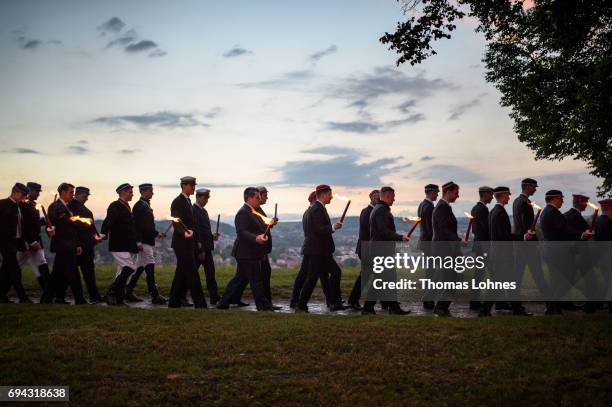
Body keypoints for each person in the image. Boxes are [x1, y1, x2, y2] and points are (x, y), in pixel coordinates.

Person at [216, 187, 273, 311]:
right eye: (257, 197)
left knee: (239, 279)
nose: (259, 199)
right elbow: (241, 232)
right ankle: (263, 307)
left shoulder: (253, 211)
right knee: (255, 280)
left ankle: (223, 303)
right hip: (246, 252)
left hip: (248, 252)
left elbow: (259, 227)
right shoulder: (243, 212)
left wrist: (269, 225)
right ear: (249, 198)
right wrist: (256, 238)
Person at [479, 187, 533, 317]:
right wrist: (523, 237)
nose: (509, 197)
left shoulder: (493, 211)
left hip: (498, 254)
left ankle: (514, 309)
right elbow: (504, 236)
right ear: (502, 196)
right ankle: (487, 310)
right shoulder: (500, 212)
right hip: (503, 255)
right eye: (507, 195)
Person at [539, 190, 593, 314]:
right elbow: (564, 229)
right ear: (554, 199)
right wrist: (581, 234)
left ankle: (554, 307)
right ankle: (553, 307)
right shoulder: (553, 212)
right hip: (558, 252)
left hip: (551, 251)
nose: (563, 201)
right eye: (561, 198)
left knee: (557, 280)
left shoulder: (547, 211)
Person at [295, 184, 345, 313]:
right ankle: (302, 305)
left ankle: (333, 302)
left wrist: (332, 228)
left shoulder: (318, 208)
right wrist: (333, 227)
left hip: (320, 250)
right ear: (323, 195)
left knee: (329, 274)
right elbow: (318, 230)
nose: (331, 197)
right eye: (329, 194)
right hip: (317, 250)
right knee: (313, 277)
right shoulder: (317, 209)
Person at [362, 186, 410, 315]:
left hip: (379, 250)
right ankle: (374, 308)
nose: (394, 199)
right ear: (388, 196)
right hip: (382, 251)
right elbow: (384, 231)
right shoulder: (382, 210)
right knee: (385, 280)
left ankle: (386, 307)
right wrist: (400, 237)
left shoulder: (378, 209)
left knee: (385, 280)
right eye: (393, 197)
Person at [124, 183, 167, 305]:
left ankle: (128, 291)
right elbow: (136, 225)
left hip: (146, 240)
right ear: (144, 191)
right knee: (150, 265)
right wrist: (137, 241)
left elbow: (147, 226)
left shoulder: (145, 205)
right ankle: (154, 295)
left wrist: (157, 233)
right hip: (144, 242)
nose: (153, 193)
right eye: (151, 191)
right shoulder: (140, 206)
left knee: (141, 266)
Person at [168, 176, 207, 308]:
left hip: (188, 242)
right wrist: (183, 232)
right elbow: (175, 221)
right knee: (192, 273)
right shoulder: (178, 201)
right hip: (181, 242)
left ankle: (173, 301)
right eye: (191, 185)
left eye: (194, 185)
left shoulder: (187, 201)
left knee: (180, 273)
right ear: (184, 186)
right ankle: (200, 303)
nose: (193, 188)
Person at [290, 191, 331, 308]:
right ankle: (298, 302)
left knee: (317, 275)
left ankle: (331, 299)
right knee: (310, 276)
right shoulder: (313, 212)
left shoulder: (307, 212)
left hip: (311, 248)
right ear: (314, 199)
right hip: (315, 248)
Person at [48, 183, 86, 305]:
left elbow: (72, 229)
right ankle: (79, 299)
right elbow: (52, 224)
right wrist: (50, 230)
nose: (73, 195)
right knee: (73, 273)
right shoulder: (55, 207)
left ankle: (52, 298)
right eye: (70, 192)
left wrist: (77, 244)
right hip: (63, 245)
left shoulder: (68, 208)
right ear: (63, 193)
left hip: (69, 245)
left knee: (58, 274)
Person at [101, 183, 139, 306]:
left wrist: (135, 242)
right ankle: (111, 293)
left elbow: (130, 228)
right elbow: (108, 221)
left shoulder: (127, 206)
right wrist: (103, 233)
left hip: (125, 244)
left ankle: (119, 298)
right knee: (129, 267)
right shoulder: (115, 206)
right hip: (118, 244)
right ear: (123, 192)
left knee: (123, 270)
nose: (132, 194)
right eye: (130, 192)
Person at [512, 178, 548, 305]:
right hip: (528, 245)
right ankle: (551, 304)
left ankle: (514, 303)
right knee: (538, 274)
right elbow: (526, 225)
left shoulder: (516, 201)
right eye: (534, 186)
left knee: (517, 275)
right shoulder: (525, 202)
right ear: (527, 186)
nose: (535, 189)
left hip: (519, 244)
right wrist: (534, 241)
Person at [17, 182, 53, 303]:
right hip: (27, 243)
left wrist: (45, 221)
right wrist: (30, 241)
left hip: (36, 243)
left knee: (41, 266)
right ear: (30, 191)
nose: (38, 194)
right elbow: (23, 225)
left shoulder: (33, 205)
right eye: (36, 191)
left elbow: (34, 223)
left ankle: (48, 295)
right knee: (14, 268)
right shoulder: (22, 205)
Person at [68, 186, 104, 303]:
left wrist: (95, 237)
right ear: (77, 194)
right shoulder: (70, 207)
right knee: (72, 273)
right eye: (85, 196)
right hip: (79, 246)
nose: (87, 198)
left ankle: (94, 295)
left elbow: (91, 228)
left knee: (89, 273)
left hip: (88, 245)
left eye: (87, 196)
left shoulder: (83, 209)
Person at [431, 181, 461, 317]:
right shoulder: (443, 208)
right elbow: (444, 229)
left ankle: (442, 307)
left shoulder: (443, 207)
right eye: (456, 193)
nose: (458, 196)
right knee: (450, 279)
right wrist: (458, 240)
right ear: (448, 192)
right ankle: (441, 307)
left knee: (451, 278)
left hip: (445, 249)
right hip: (445, 250)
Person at [0, 183, 33, 303]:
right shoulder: (2, 204)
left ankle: (1, 295)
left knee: (6, 270)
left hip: (15, 242)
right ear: (15, 192)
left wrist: (23, 241)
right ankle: (22, 297)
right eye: (23, 194)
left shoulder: (18, 206)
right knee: (14, 270)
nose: (24, 197)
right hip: (5, 242)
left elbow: (20, 226)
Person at [347, 189, 379, 311]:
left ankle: (353, 300)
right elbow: (371, 231)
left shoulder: (371, 211)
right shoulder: (368, 212)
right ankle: (354, 301)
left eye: (379, 197)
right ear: (370, 197)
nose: (377, 198)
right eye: (375, 196)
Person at [192, 188, 220, 304]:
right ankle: (181, 295)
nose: (207, 200)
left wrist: (212, 236)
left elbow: (204, 231)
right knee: (192, 274)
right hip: (200, 249)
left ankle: (214, 297)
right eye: (205, 197)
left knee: (210, 274)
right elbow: (197, 232)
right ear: (198, 197)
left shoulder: (203, 211)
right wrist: (201, 250)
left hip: (206, 247)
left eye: (207, 198)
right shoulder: (194, 211)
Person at [468, 186, 493, 311]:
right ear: (485, 194)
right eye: (491, 194)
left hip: (478, 244)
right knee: (493, 274)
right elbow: (487, 229)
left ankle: (474, 301)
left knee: (478, 274)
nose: (492, 196)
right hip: (484, 246)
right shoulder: (483, 210)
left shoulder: (474, 208)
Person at [418, 183, 439, 309]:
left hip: (424, 242)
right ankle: (428, 299)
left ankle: (428, 299)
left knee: (429, 272)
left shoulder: (422, 205)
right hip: (430, 243)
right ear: (431, 192)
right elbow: (431, 228)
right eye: (436, 192)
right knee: (432, 273)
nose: (437, 195)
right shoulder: (430, 207)